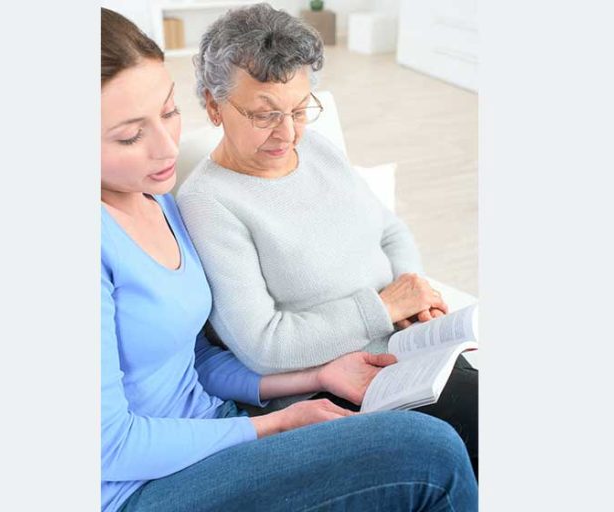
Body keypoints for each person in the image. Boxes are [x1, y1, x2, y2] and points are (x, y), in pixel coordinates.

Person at [100, 7, 477, 512]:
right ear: (214, 105)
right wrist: (271, 423)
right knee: (432, 453)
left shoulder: (157, 201)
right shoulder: (179, 210)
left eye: (168, 112)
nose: (168, 145)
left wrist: (318, 376)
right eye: (129, 135)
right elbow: (109, 448)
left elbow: (197, 358)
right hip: (143, 488)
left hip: (220, 422)